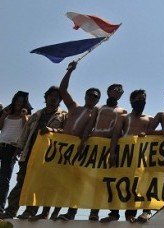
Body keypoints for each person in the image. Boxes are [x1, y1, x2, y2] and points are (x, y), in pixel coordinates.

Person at [0, 86, 66, 220]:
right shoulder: (36, 114)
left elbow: (66, 133)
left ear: (60, 100)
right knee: (21, 183)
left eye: (56, 96)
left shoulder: (63, 115)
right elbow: (25, 133)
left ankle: (30, 211)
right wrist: (19, 148)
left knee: (38, 184)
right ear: (46, 97)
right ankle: (10, 211)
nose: (53, 98)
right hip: (30, 152)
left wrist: (52, 130)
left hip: (47, 155)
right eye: (51, 95)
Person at [55, 61, 101, 221]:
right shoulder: (74, 107)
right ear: (85, 96)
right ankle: (49, 212)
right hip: (61, 146)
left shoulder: (95, 115)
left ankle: (70, 213)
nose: (92, 98)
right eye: (90, 95)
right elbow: (62, 90)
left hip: (77, 149)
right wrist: (70, 71)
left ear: (97, 100)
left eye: (95, 97)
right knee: (55, 179)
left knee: (74, 182)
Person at [80, 83, 127, 222]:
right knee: (83, 177)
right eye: (115, 89)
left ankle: (94, 211)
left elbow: (119, 133)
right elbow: (90, 124)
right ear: (109, 91)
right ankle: (72, 210)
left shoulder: (122, 111)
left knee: (101, 180)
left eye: (120, 91)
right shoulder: (98, 108)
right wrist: (83, 141)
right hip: (94, 143)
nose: (118, 92)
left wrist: (113, 151)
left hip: (107, 146)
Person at [109, 89, 153, 223]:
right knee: (119, 183)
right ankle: (114, 213)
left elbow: (152, 135)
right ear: (132, 101)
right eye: (139, 99)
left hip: (140, 156)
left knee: (136, 184)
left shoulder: (149, 119)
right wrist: (112, 152)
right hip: (124, 154)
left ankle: (131, 213)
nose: (142, 102)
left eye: (144, 99)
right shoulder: (123, 117)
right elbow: (116, 134)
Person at [0, 91, 32, 213]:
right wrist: (3, 115)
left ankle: (0, 207)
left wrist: (24, 116)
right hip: (1, 144)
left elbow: (26, 129)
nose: (19, 103)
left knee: (4, 179)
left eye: (21, 101)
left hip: (11, 148)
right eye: (17, 100)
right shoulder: (7, 114)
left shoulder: (26, 117)